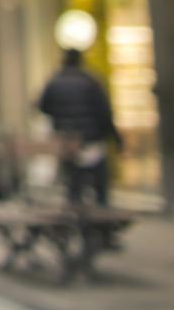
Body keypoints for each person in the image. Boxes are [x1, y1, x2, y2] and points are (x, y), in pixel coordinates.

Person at [38, 47, 119, 207]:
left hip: (67, 139)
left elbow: (43, 106)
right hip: (92, 138)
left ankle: (75, 208)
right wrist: (114, 136)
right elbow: (104, 112)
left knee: (74, 183)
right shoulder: (91, 81)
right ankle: (100, 210)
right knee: (99, 182)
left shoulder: (54, 81)